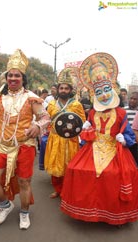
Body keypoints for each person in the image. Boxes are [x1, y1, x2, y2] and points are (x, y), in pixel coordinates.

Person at [0, 49, 50, 230]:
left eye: (17, 76)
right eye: (10, 76)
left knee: (24, 182)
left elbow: (46, 118)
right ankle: (5, 205)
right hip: (2, 146)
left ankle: (24, 213)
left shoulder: (31, 98)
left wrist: (37, 126)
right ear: (6, 78)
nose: (13, 78)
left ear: (23, 79)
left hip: (24, 146)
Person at [61, 52, 138, 226]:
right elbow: (86, 134)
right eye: (99, 92)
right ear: (94, 94)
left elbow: (130, 136)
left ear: (113, 90)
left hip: (116, 150)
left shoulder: (121, 113)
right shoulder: (93, 112)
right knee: (76, 169)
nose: (103, 95)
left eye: (106, 90)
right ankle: (87, 211)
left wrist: (124, 139)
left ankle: (114, 215)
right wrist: (86, 129)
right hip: (93, 147)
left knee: (114, 175)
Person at [44, 67, 86, 198]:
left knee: (69, 166)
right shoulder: (51, 104)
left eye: (66, 88)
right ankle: (58, 189)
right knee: (55, 165)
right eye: (61, 88)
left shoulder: (76, 105)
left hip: (70, 140)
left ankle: (68, 190)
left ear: (70, 90)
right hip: (55, 138)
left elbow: (82, 122)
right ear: (57, 89)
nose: (63, 91)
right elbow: (46, 120)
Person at [124, 91, 138, 164]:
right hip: (126, 140)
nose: (132, 100)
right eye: (131, 98)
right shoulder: (123, 110)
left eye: (135, 99)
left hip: (135, 142)